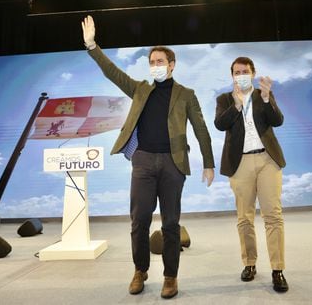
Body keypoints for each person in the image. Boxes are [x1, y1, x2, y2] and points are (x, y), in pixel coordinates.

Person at [81, 16, 215, 299]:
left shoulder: (186, 95)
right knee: (139, 221)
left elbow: (201, 128)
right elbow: (113, 73)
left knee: (170, 224)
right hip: (142, 161)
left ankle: (170, 277)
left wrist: (208, 162)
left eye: (160, 61)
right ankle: (140, 271)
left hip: (172, 164)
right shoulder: (141, 89)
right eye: (152, 62)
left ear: (172, 65)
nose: (155, 66)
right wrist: (93, 46)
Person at [214, 57, 288, 292]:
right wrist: (236, 105)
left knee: (273, 216)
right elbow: (219, 124)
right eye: (237, 72)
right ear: (232, 75)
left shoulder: (262, 94)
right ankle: (250, 263)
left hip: (267, 160)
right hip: (240, 163)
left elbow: (277, 121)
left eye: (245, 71)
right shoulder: (224, 99)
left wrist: (267, 99)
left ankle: (278, 269)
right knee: (245, 218)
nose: (241, 75)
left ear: (253, 73)